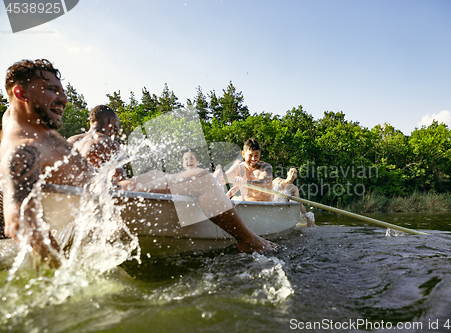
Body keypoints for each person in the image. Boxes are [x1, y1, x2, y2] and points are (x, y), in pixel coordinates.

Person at [0, 59, 275, 268]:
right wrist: (60, 272)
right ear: (21, 94)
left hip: (90, 204)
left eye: (62, 90)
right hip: (110, 202)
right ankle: (248, 239)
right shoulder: (26, 149)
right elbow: (17, 220)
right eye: (51, 90)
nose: (64, 98)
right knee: (200, 177)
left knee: (161, 174)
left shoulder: (27, 129)